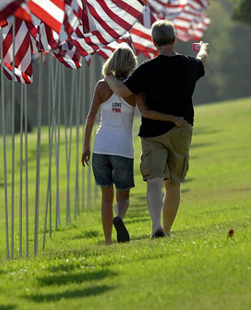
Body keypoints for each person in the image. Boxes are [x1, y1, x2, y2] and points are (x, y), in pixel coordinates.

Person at [105, 20, 208, 239]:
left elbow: (123, 91)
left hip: (153, 133)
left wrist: (109, 75)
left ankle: (156, 226)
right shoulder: (189, 64)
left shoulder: (147, 69)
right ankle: (167, 230)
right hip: (182, 129)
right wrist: (203, 48)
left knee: (153, 181)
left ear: (154, 43)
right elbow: (202, 61)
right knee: (174, 184)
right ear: (174, 39)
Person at [81, 45, 186, 245]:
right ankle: (119, 215)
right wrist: (173, 118)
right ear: (130, 65)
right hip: (123, 148)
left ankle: (108, 241)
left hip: (101, 147)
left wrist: (86, 146)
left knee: (106, 197)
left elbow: (90, 117)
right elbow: (146, 113)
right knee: (123, 197)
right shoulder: (134, 88)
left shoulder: (101, 86)